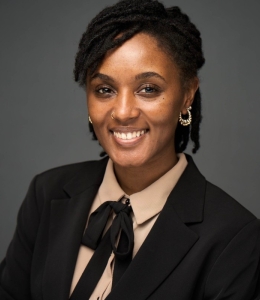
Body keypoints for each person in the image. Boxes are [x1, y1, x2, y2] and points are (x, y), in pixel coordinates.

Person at [0, 0, 260, 299]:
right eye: (104, 90)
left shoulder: (235, 236)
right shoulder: (47, 193)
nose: (122, 112)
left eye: (148, 88)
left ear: (187, 94)